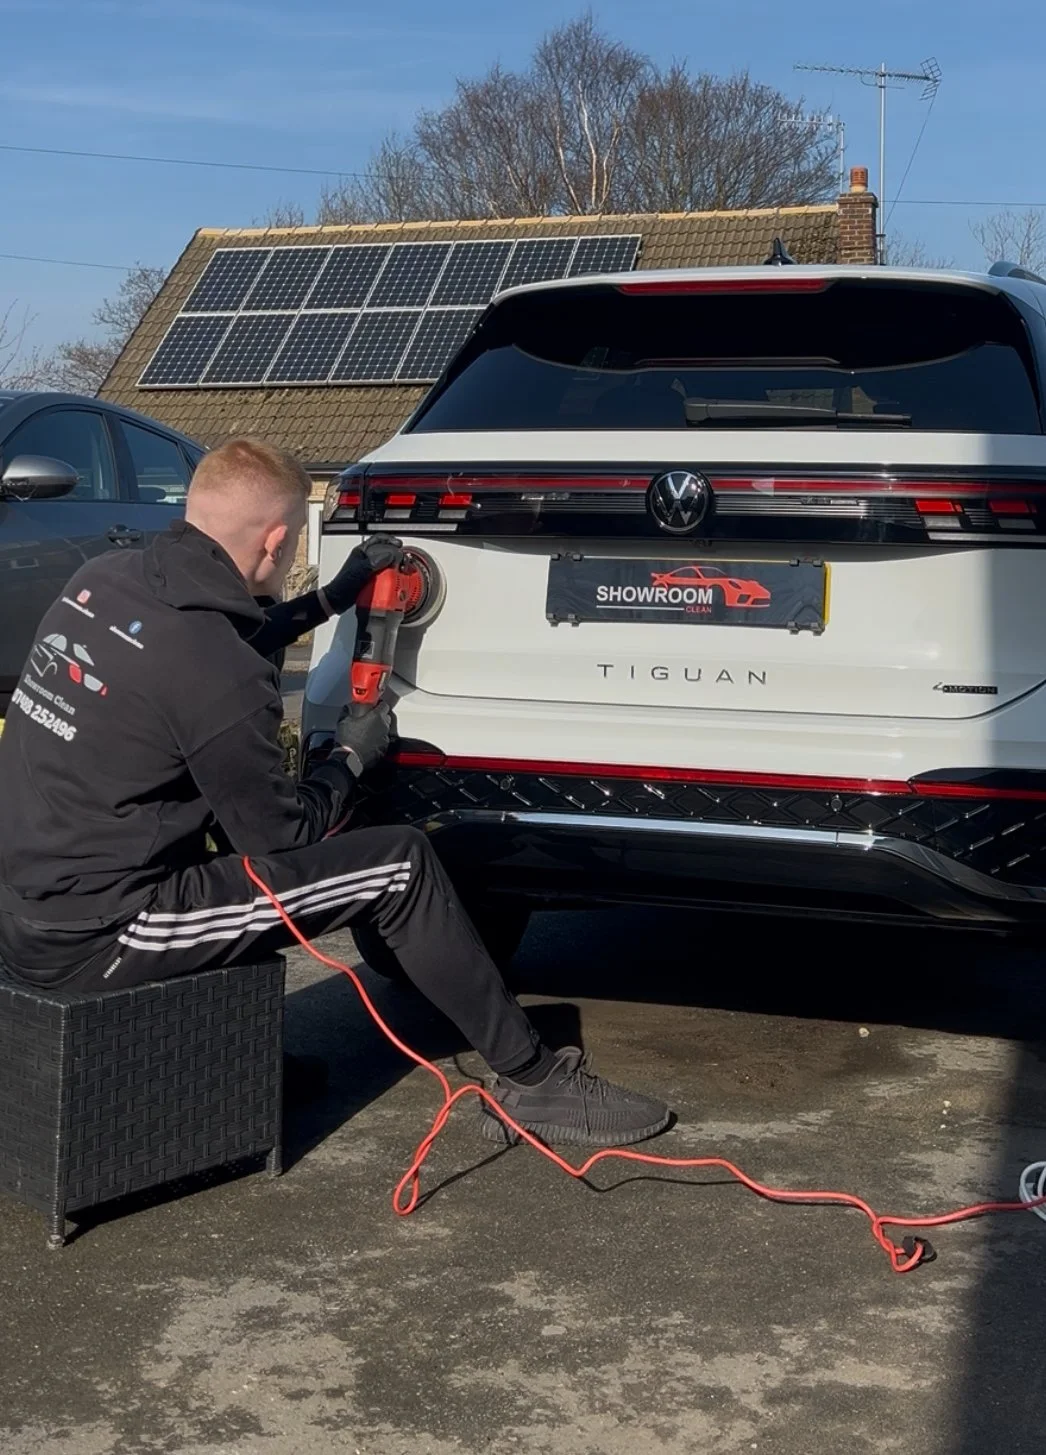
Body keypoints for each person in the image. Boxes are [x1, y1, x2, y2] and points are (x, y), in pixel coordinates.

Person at [0, 436, 670, 1148]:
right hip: (104, 935)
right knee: (399, 865)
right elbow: (281, 840)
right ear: (278, 539)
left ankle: (226, 1059)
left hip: (26, 907)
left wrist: (331, 597)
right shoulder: (218, 673)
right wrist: (350, 757)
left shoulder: (106, 578)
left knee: (222, 856)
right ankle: (535, 1081)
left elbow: (216, 645)